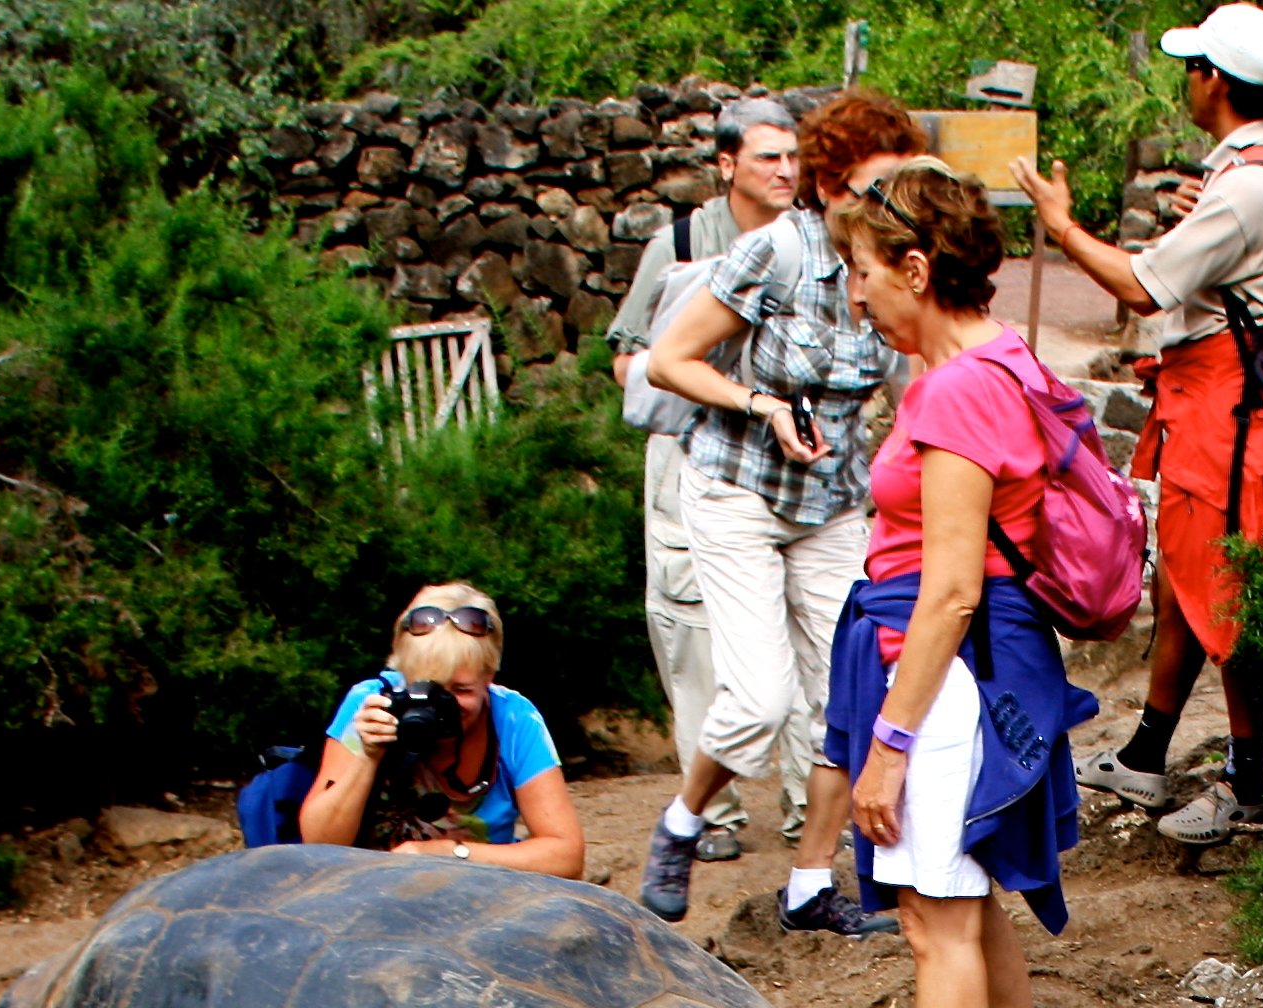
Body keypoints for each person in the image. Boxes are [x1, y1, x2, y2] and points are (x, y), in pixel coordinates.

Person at [1016, 2, 1263, 847]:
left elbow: (1140, 286)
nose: (1185, 78)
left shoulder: (1250, 186)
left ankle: (1246, 784)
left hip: (1229, 417)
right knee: (1187, 579)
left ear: (1215, 82)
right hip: (1221, 406)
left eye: (1192, 66)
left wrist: (1060, 226)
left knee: (1225, 585)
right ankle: (1150, 752)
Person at [631, 88, 930, 937]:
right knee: (760, 703)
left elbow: (915, 381)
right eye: (876, 185)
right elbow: (668, 361)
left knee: (852, 695)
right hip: (735, 491)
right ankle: (683, 821)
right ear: (831, 184)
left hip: (832, 502)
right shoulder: (777, 254)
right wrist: (758, 401)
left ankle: (809, 885)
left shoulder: (897, 261)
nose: (888, 201)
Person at [823, 162, 1092, 1008]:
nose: (853, 293)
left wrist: (888, 744)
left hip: (944, 678)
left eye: (859, 270)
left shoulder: (954, 391)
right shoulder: (996, 358)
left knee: (932, 926)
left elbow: (948, 591)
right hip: (968, 671)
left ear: (913, 267)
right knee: (970, 906)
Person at [608, 96, 805, 862]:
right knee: (690, 628)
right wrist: (699, 379)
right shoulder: (680, 243)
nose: (785, 170)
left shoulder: (813, 242)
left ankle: (804, 807)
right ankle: (711, 816)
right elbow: (627, 356)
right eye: (767, 157)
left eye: (793, 156)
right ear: (727, 165)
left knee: (801, 623)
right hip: (691, 454)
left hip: (786, 459)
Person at [298, 583, 587, 877]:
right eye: (429, 688)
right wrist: (367, 756)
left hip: (473, 893)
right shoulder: (371, 705)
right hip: (367, 889)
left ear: (489, 676)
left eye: (461, 690)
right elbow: (319, 844)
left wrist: (450, 853)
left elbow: (566, 858)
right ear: (403, 675)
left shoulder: (513, 719)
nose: (443, 705)